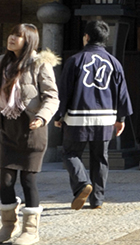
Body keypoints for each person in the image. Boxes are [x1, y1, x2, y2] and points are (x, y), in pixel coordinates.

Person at [53, 20, 133, 210]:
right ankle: (96, 199)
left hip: (77, 117)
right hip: (105, 118)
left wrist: (59, 115)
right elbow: (122, 92)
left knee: (70, 153)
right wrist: (121, 119)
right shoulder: (114, 62)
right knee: (100, 158)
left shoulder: (75, 60)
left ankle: (82, 184)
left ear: (86, 37)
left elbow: (64, 91)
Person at [0, 24, 58, 245]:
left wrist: (42, 117)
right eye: (11, 33)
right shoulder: (2, 63)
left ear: (29, 40)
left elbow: (52, 96)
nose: (11, 38)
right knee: (4, 181)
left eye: (18, 36)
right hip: (7, 127)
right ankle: (7, 225)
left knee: (27, 180)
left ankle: (31, 230)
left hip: (31, 128)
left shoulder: (39, 64)